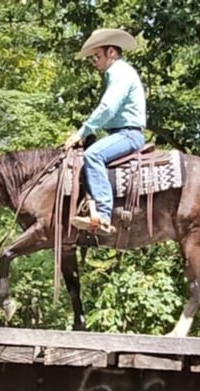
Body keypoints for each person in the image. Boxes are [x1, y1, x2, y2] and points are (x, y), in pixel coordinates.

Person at [63, 28, 147, 236]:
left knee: (94, 154)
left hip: (128, 134)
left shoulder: (120, 72)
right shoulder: (120, 73)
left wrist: (82, 132)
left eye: (97, 56)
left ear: (111, 52)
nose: (94, 61)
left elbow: (108, 108)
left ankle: (102, 214)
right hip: (121, 133)